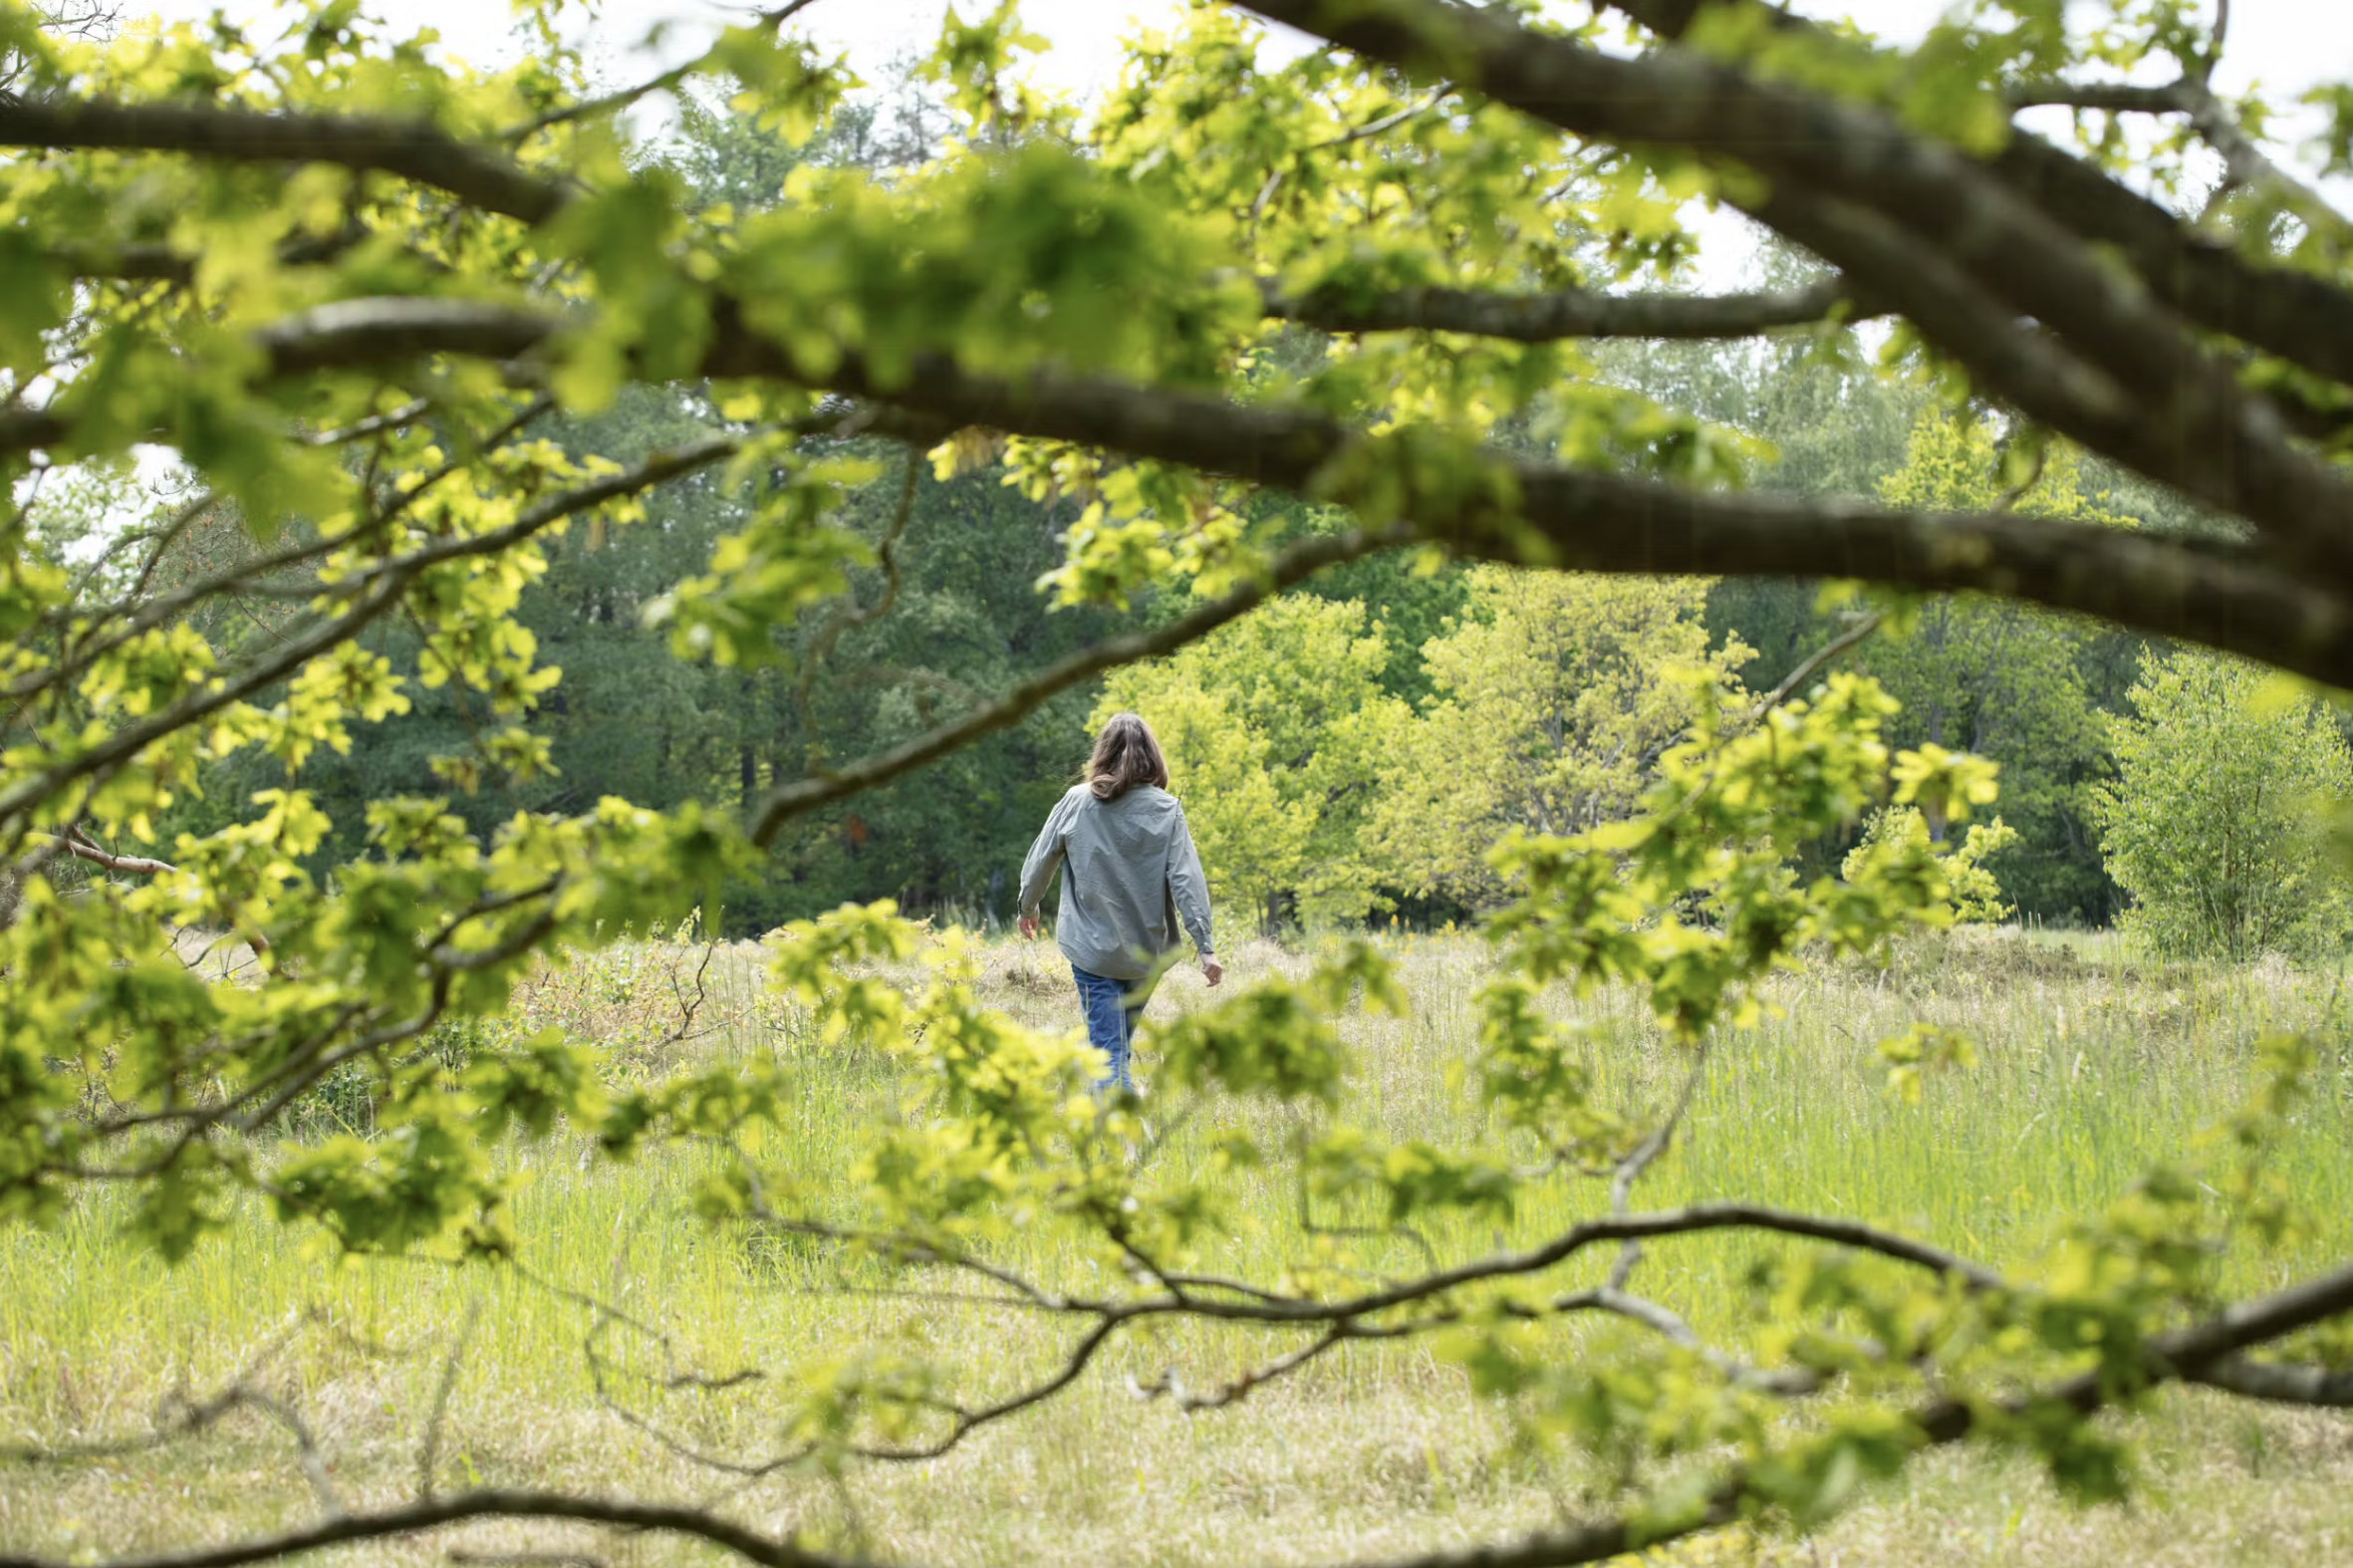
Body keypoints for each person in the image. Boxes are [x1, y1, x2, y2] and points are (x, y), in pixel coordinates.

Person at [1017, 712, 1221, 1096]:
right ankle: (1115, 1127)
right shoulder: (1167, 810)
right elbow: (1188, 882)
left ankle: (1121, 1141)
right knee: (1113, 1048)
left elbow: (1040, 860)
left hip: (1093, 950)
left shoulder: (1076, 801)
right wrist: (1205, 947)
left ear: (1103, 753)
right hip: (1145, 955)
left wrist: (1028, 908)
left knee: (1108, 1052)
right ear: (1152, 756)